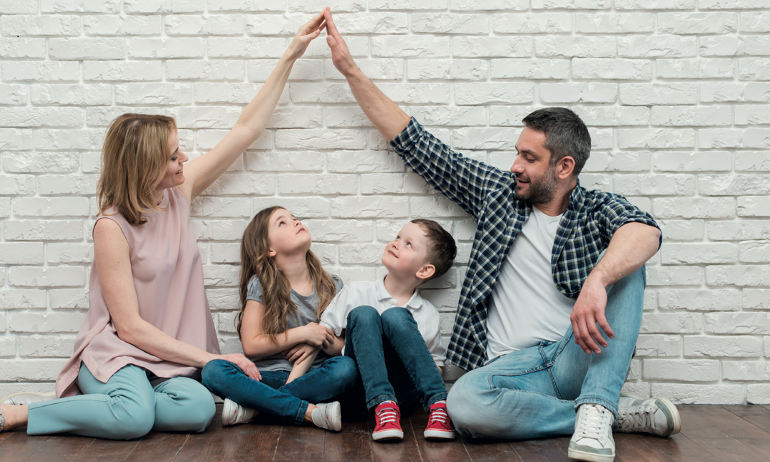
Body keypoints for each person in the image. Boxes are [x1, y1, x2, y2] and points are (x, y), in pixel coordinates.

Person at [322, 9, 680, 462]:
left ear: (563, 167)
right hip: (509, 371)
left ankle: (596, 401)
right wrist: (350, 70)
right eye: (516, 153)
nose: (515, 165)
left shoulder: (594, 209)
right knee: (463, 405)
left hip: (574, 356)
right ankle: (603, 412)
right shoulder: (498, 194)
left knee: (629, 263)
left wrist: (597, 280)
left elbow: (646, 232)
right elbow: (419, 145)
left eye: (529, 157)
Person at [0, 11, 329, 440]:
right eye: (173, 156)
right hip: (121, 353)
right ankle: (23, 412)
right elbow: (129, 327)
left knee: (195, 412)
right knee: (134, 419)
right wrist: (210, 360)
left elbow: (246, 129)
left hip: (171, 358)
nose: (184, 160)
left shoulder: (179, 192)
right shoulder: (111, 228)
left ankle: (121, 406)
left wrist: (291, 55)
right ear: (145, 166)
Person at [200, 206, 357, 431]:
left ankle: (257, 409)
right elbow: (251, 346)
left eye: (294, 218)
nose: (295, 222)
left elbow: (342, 348)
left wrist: (321, 337)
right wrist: (303, 332)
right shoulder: (261, 284)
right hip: (267, 378)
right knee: (212, 370)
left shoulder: (332, 285)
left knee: (346, 368)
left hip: (314, 378)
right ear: (269, 248)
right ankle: (309, 412)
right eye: (282, 223)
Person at [319, 219, 457, 442]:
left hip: (402, 397)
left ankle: (438, 406)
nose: (396, 243)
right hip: (358, 392)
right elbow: (324, 335)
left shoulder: (427, 313)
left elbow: (436, 367)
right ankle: (383, 404)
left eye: (408, 244)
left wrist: (409, 355)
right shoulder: (357, 291)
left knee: (396, 316)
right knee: (364, 313)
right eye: (398, 237)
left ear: (424, 270)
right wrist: (360, 347)